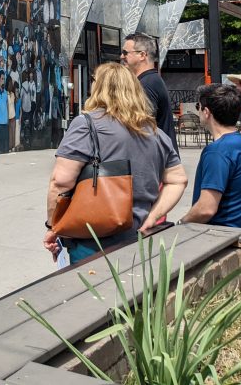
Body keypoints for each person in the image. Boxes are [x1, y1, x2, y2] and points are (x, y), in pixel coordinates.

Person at [43, 62, 187, 264]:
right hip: (137, 235)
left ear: (98, 88)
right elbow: (178, 179)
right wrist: (153, 216)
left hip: (90, 239)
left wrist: (53, 226)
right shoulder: (156, 133)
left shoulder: (86, 125)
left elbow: (60, 182)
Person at [178, 83, 241, 229]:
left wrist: (181, 223)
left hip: (222, 236)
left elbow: (206, 209)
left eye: (198, 107)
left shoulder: (217, 151)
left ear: (206, 112)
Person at [121, 33, 177, 153]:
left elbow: (141, 127)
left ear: (142, 55)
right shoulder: (151, 80)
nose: (121, 56)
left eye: (126, 52)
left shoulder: (146, 84)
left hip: (156, 159)